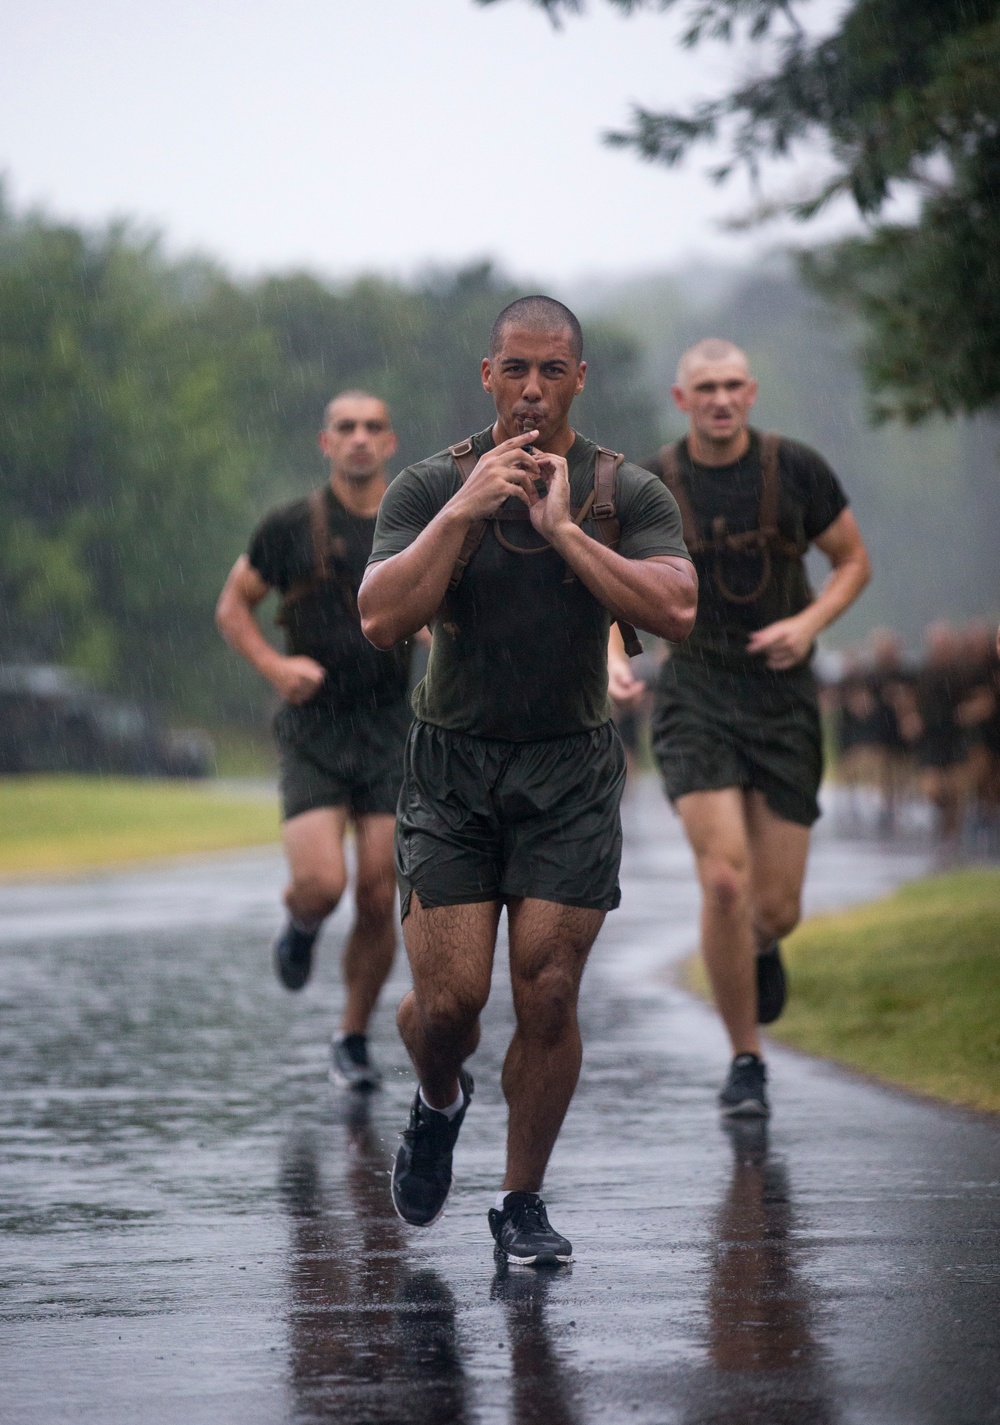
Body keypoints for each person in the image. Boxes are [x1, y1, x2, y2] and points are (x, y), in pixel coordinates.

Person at [358, 296, 696, 1265]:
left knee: (547, 992)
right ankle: (436, 1101)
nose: (533, 391)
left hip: (569, 769)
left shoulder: (623, 492)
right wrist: (466, 511)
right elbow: (382, 620)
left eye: (553, 372)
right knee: (449, 1007)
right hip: (451, 772)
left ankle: (521, 1200)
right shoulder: (430, 484)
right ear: (487, 375)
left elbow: (676, 608)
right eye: (516, 370)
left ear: (578, 379)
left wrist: (562, 533)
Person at [636, 338, 871, 1120]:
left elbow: (852, 561)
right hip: (696, 688)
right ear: (682, 399)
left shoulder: (795, 468)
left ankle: (763, 945)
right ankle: (745, 1059)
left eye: (733, 384)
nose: (720, 398)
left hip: (781, 697)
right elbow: (607, 578)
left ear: (753, 391)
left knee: (776, 907)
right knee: (724, 879)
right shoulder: (652, 482)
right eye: (705, 387)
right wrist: (611, 658)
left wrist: (808, 623)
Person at [216, 391, 413, 1090]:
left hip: (392, 726)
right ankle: (299, 926)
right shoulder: (290, 527)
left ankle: (352, 1037)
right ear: (325, 443)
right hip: (314, 729)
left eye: (372, 428)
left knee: (377, 888)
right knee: (323, 884)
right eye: (346, 428)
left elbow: (453, 606)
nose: (359, 439)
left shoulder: (416, 522)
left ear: (391, 442)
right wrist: (273, 665)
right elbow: (233, 604)